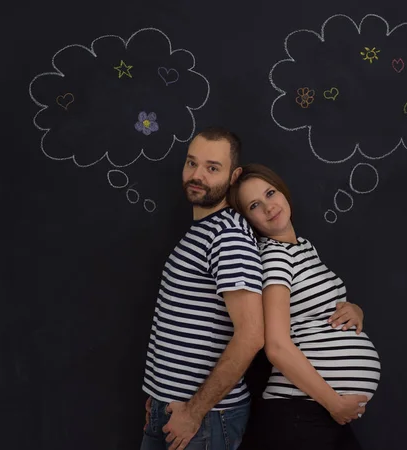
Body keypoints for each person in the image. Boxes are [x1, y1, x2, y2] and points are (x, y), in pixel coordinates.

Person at [228, 164, 381, 450]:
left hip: (315, 413)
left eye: (270, 193)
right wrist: (334, 402)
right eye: (254, 205)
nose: (269, 207)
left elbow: (316, 311)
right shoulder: (275, 258)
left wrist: (355, 310)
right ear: (249, 220)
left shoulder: (302, 248)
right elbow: (275, 346)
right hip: (300, 412)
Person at [140, 128, 264, 450]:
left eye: (212, 168)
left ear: (234, 176)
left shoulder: (228, 236)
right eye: (191, 163)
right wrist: (160, 391)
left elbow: (251, 336)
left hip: (205, 421)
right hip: (172, 410)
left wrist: (194, 412)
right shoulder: (201, 231)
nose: (197, 176)